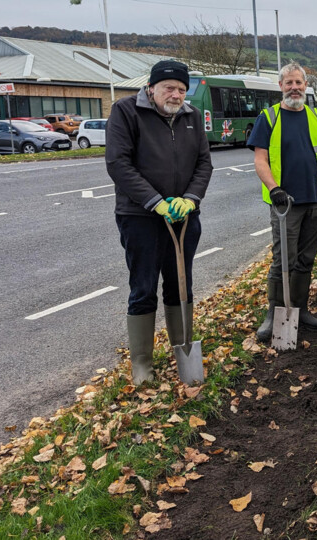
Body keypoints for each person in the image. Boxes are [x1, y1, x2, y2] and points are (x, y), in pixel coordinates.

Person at [106, 59, 212, 385]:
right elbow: (118, 163)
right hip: (140, 217)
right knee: (143, 287)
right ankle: (142, 364)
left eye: (182, 89)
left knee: (181, 283)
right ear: (151, 88)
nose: (176, 94)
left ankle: (182, 347)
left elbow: (204, 164)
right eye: (169, 88)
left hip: (184, 216)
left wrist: (190, 199)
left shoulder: (192, 117)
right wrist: (156, 202)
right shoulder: (125, 112)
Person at [248, 61, 317, 342]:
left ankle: (300, 310)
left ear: (305, 86)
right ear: (281, 86)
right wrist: (274, 188)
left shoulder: (315, 117)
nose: (294, 87)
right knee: (282, 260)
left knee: (305, 260)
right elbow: (260, 159)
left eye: (299, 82)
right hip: (285, 205)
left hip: (315, 201)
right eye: (289, 83)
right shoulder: (269, 117)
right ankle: (274, 314)